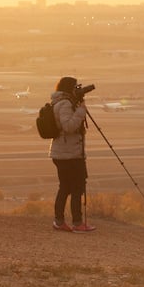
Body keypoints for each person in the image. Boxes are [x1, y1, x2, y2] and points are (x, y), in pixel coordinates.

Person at [49, 76, 96, 233]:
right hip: (69, 154)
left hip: (63, 153)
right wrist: (81, 111)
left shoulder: (59, 102)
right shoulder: (65, 104)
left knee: (65, 187)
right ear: (69, 88)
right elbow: (68, 126)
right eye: (75, 87)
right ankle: (77, 223)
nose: (78, 90)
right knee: (76, 187)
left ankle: (59, 221)